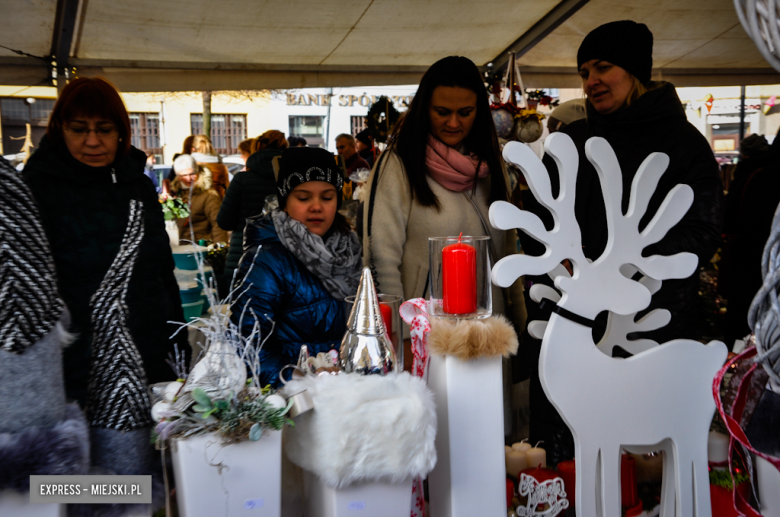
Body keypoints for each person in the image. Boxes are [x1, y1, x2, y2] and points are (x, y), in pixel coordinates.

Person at [519, 20, 723, 465]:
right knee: (569, 453)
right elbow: (537, 222)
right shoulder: (572, 141)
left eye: (603, 67)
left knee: (642, 461)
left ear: (634, 71)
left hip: (653, 327)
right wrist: (557, 269)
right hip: (573, 322)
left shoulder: (683, 144)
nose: (591, 81)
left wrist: (631, 271)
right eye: (584, 72)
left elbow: (702, 231)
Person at [22, 77, 188, 407]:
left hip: (151, 357)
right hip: (79, 372)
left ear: (121, 131)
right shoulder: (37, 189)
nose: (93, 141)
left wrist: (178, 342)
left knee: (159, 456)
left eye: (105, 129)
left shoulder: (138, 186)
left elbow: (162, 273)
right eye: (79, 129)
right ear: (60, 129)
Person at [362, 56, 525, 366]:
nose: (453, 123)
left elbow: (507, 251)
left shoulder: (492, 165)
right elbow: (380, 257)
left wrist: (519, 320)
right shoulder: (399, 164)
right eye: (442, 112)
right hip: (426, 340)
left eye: (465, 113)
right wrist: (401, 339)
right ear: (424, 108)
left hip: (492, 337)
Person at [231, 146, 362, 387]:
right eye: (303, 197)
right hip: (294, 401)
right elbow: (248, 342)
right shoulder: (267, 259)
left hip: (346, 392)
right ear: (284, 200)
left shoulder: (350, 249)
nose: (316, 206)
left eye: (327, 197)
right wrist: (299, 382)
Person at [218, 130, 288, 285]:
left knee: (242, 307)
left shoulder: (241, 179)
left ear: (256, 148)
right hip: (284, 257)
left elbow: (224, 222)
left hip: (242, 256)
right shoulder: (292, 180)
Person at [171, 154, 229, 244]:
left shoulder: (209, 195)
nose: (188, 178)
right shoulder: (174, 193)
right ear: (178, 176)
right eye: (184, 175)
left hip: (201, 248)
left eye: (191, 174)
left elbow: (218, 225)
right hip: (178, 248)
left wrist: (220, 250)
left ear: (197, 171)